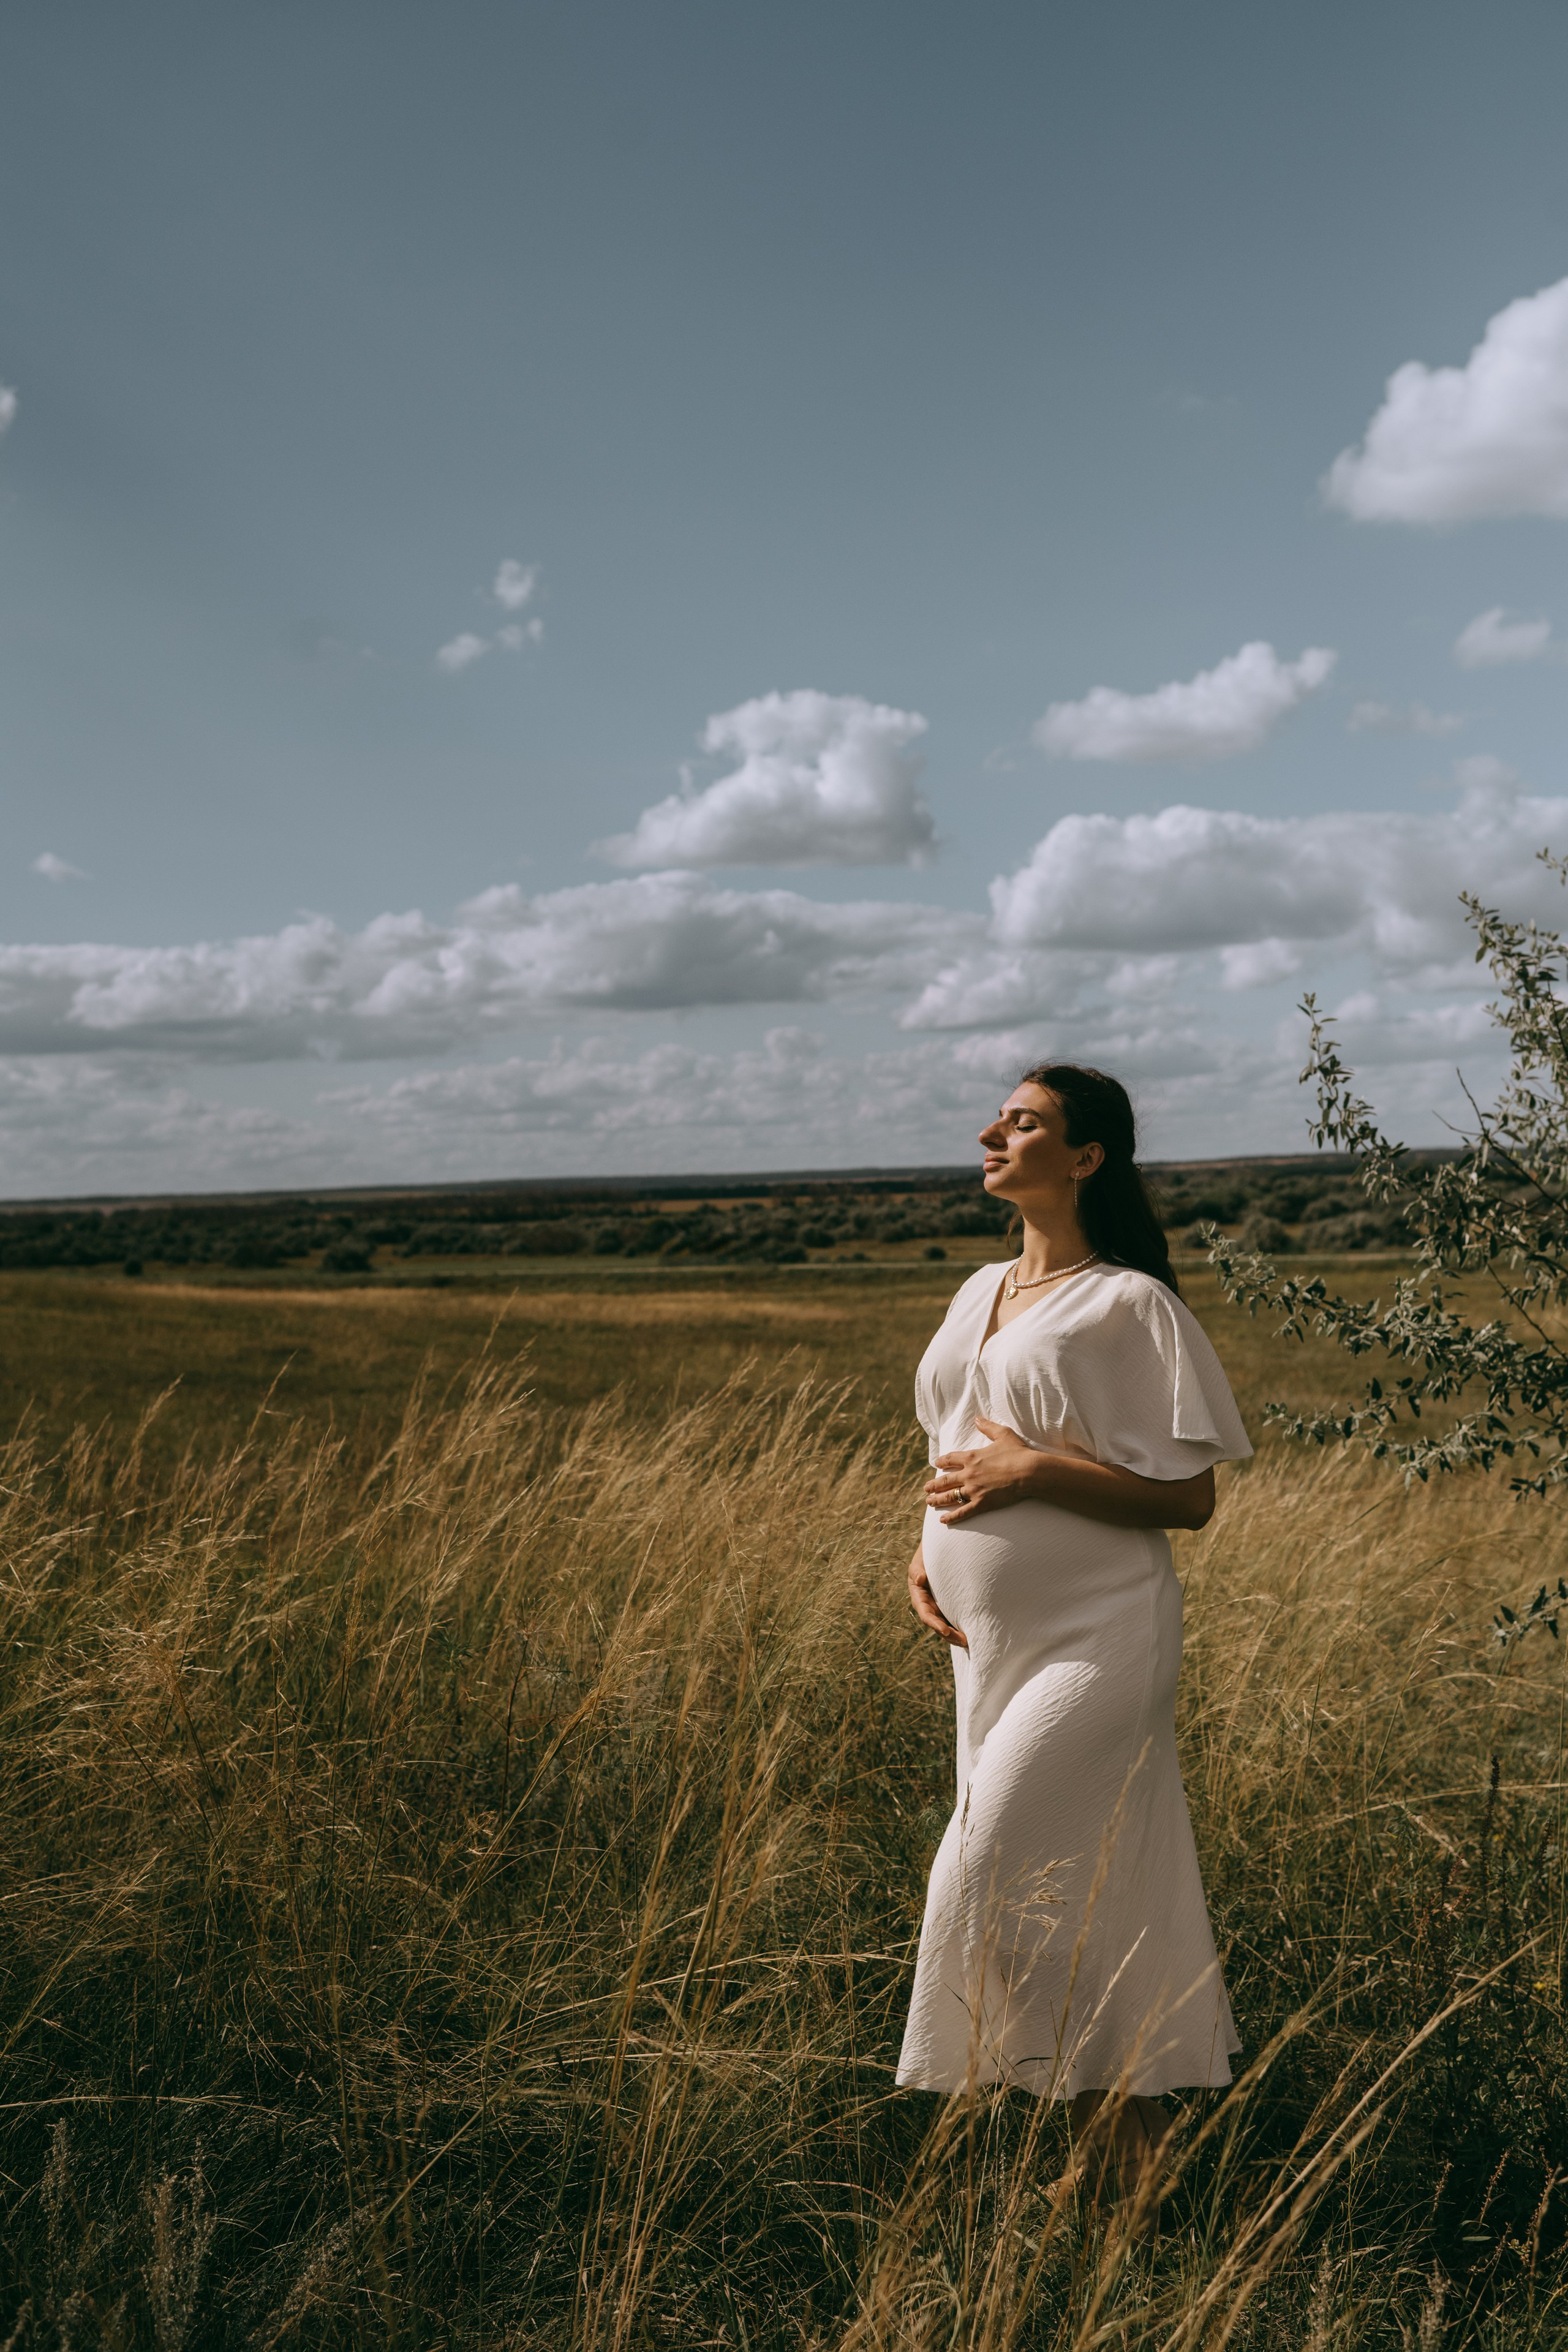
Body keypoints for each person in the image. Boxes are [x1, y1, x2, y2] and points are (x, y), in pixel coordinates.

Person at [897, 1063, 1251, 2188]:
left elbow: (1189, 1499)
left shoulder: (1127, 1302)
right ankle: (1121, 2152)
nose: (991, 1131)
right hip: (987, 1646)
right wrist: (927, 1548)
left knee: (991, 1866)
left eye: (1025, 1121)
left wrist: (1039, 1470)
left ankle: (1129, 2144)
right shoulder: (979, 1288)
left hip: (1102, 1634)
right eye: (1002, 1117)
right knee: (1068, 1883)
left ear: (1086, 1156)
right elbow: (958, 1442)